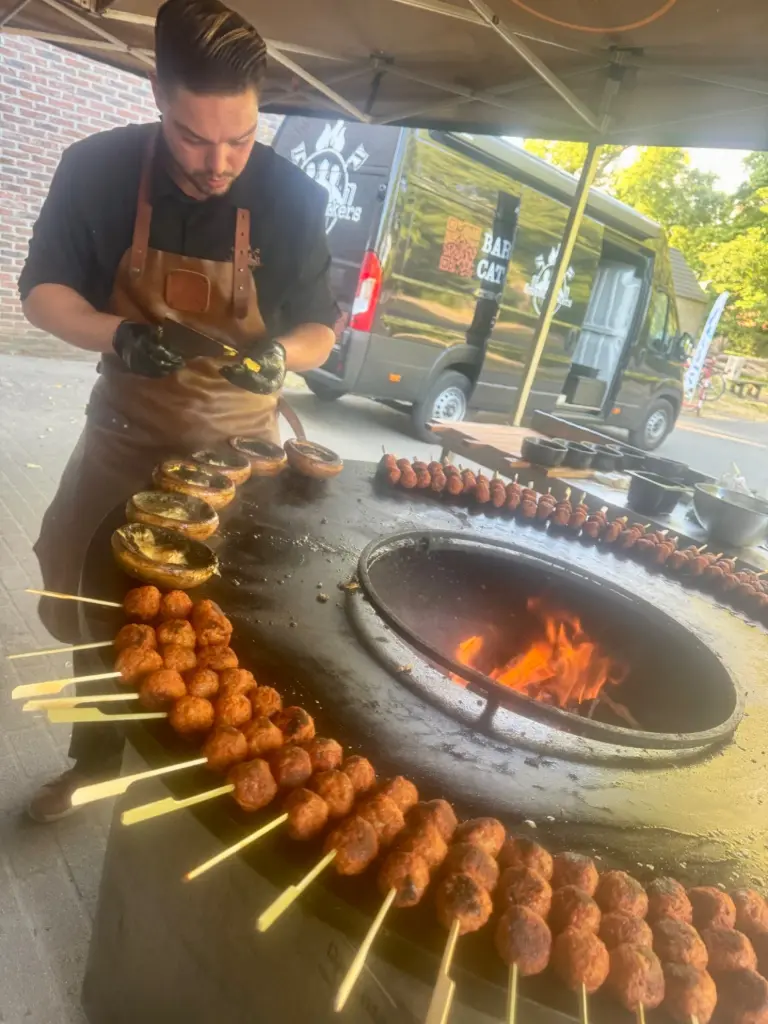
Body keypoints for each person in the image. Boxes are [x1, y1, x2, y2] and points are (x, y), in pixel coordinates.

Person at [18, 0, 337, 821]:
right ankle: (91, 763)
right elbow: (41, 293)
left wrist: (283, 355)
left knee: (216, 636)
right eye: (195, 138)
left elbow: (319, 328)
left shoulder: (293, 196)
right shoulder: (96, 168)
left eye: (239, 138)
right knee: (96, 608)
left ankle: (205, 775)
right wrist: (117, 334)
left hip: (233, 459)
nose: (219, 160)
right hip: (125, 436)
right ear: (159, 94)